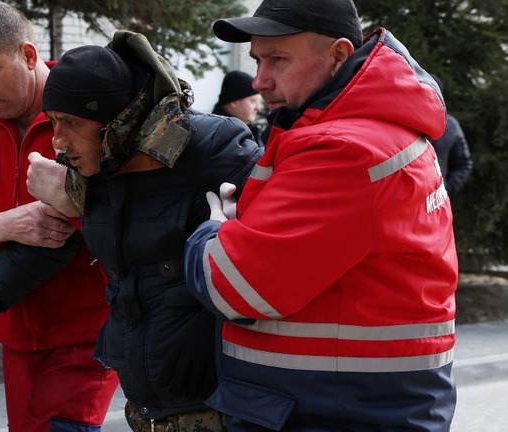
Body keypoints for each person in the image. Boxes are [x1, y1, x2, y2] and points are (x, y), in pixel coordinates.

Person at [0, 31, 262, 431]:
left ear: (116, 120)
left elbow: (275, 251)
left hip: (216, 398)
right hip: (146, 400)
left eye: (70, 123)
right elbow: (59, 238)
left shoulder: (211, 148)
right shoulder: (100, 164)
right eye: (52, 122)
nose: (58, 141)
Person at [183, 0, 459, 430]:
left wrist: (214, 229)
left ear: (339, 55)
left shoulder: (343, 148)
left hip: (327, 410)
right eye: (257, 59)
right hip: (356, 404)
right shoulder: (377, 129)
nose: (260, 80)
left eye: (278, 59)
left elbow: (234, 285)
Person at [0, 2, 119, 431]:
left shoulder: (90, 114)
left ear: (28, 56)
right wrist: (2, 224)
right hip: (15, 336)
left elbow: (123, 217)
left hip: (88, 335)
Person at [429, 74, 473, 193]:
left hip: (437, 202)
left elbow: (463, 164)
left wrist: (445, 189)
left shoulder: (451, 126)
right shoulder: (403, 122)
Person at [213, 70, 266, 146]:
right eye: (253, 101)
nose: (258, 108)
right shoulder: (219, 137)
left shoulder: (249, 131)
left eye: (259, 102)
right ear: (234, 101)